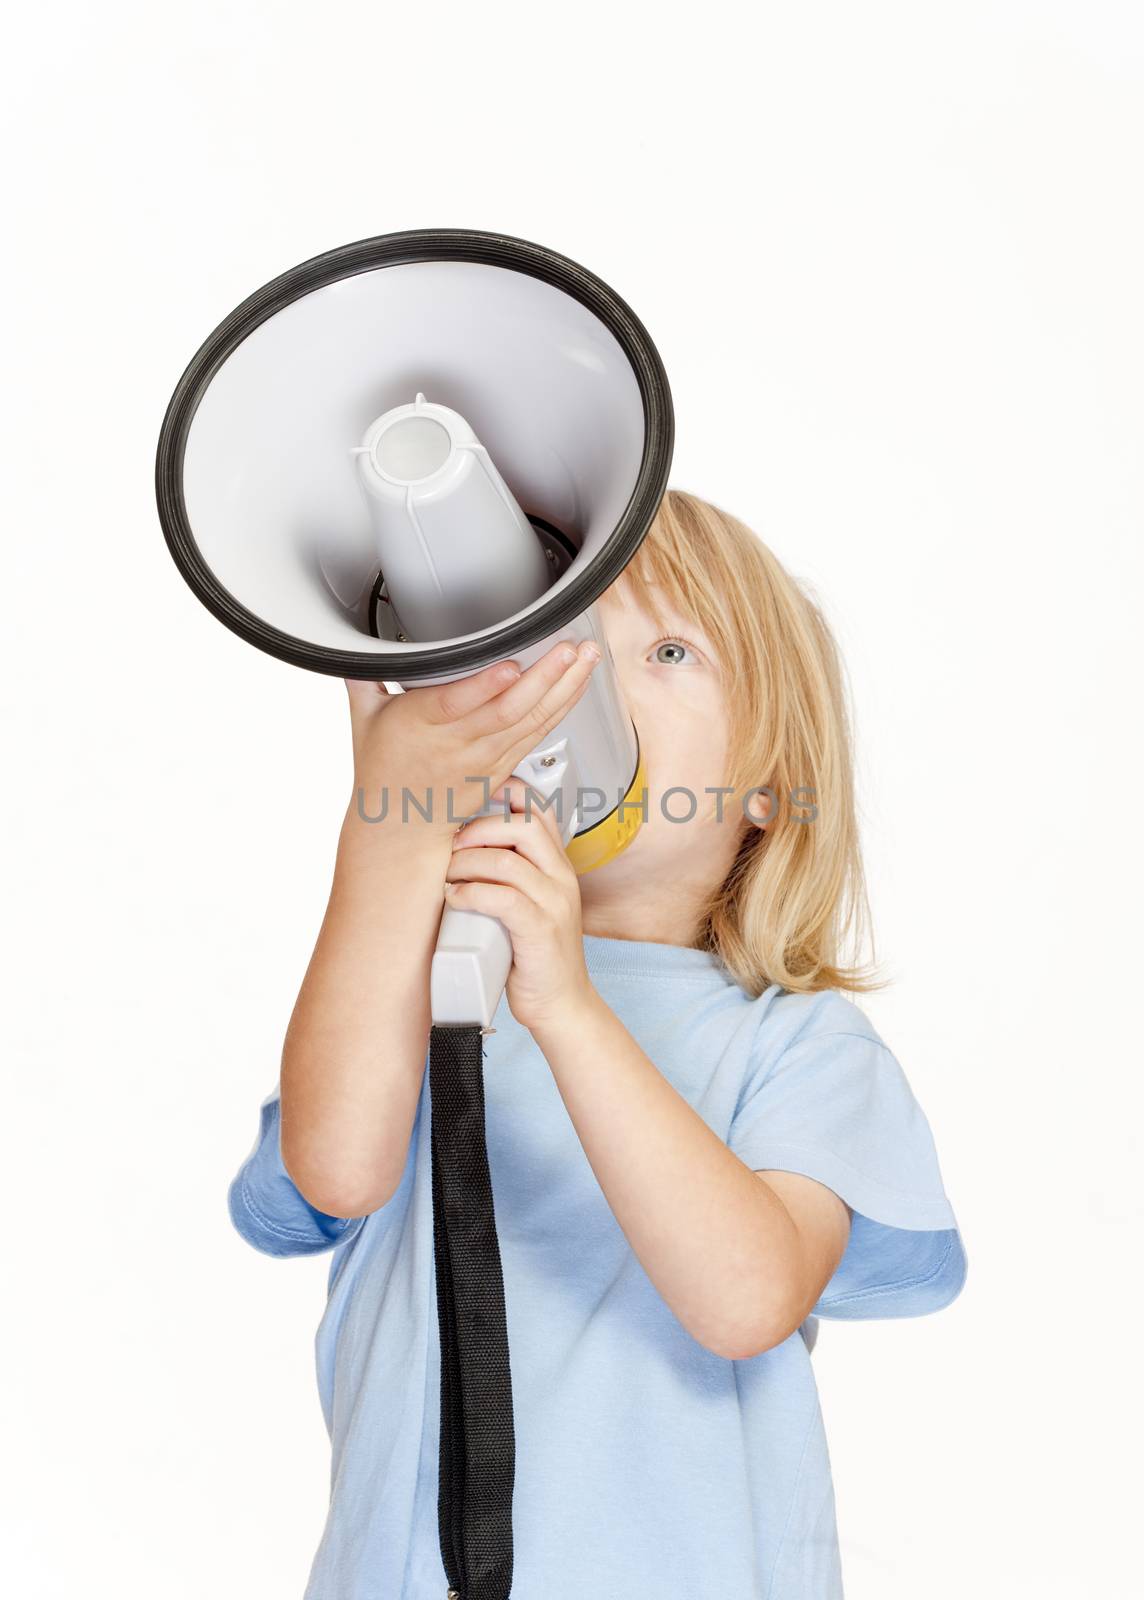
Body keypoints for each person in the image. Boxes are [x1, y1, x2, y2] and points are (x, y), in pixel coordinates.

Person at [228, 489, 968, 1599]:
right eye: (560, 645)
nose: (594, 684)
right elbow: (334, 1166)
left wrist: (568, 1006)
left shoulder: (798, 1045)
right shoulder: (414, 984)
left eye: (667, 648)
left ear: (767, 784)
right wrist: (391, 824)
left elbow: (746, 1296)